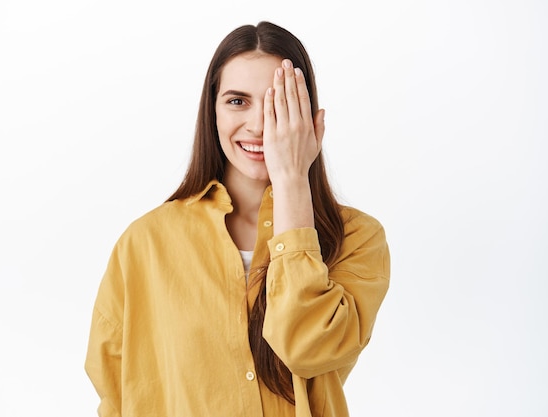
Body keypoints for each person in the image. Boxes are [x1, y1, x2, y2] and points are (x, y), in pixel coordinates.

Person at [85, 21, 390, 417]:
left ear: (309, 116)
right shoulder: (144, 243)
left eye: (278, 103)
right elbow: (115, 393)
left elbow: (307, 349)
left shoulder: (357, 238)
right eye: (237, 101)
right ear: (211, 110)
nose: (260, 125)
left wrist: (292, 181)